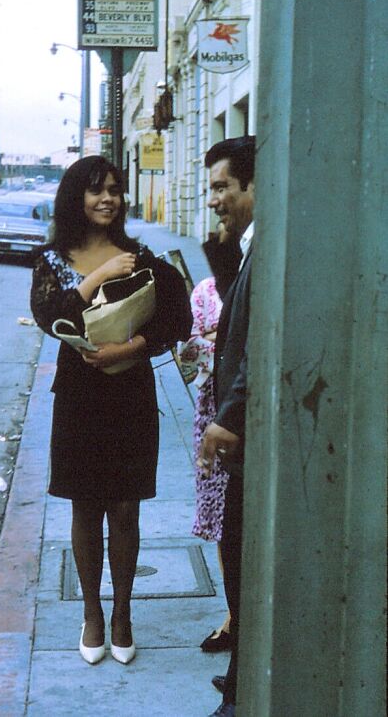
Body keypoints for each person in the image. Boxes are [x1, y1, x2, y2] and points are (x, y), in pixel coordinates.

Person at [30, 155, 192, 665]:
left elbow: (178, 315)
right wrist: (97, 275)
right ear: (76, 197)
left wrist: (134, 346)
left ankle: (123, 614)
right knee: (85, 506)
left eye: (115, 190)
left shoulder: (140, 256)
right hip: (79, 397)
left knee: (125, 507)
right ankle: (92, 613)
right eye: (96, 189)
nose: (108, 199)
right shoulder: (54, 259)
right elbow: (47, 316)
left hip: (130, 396)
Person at [198, 136, 256, 717]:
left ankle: (242, 693)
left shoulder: (270, 249)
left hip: (247, 434)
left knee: (242, 560)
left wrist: (227, 417)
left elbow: (258, 347)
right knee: (235, 554)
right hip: (239, 434)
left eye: (223, 188)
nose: (214, 199)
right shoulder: (248, 248)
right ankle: (239, 676)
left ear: (256, 187)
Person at [179, 223, 241, 655]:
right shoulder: (204, 290)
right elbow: (192, 348)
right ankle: (233, 614)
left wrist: (221, 339)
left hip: (242, 414)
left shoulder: (262, 277)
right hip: (213, 414)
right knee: (223, 522)